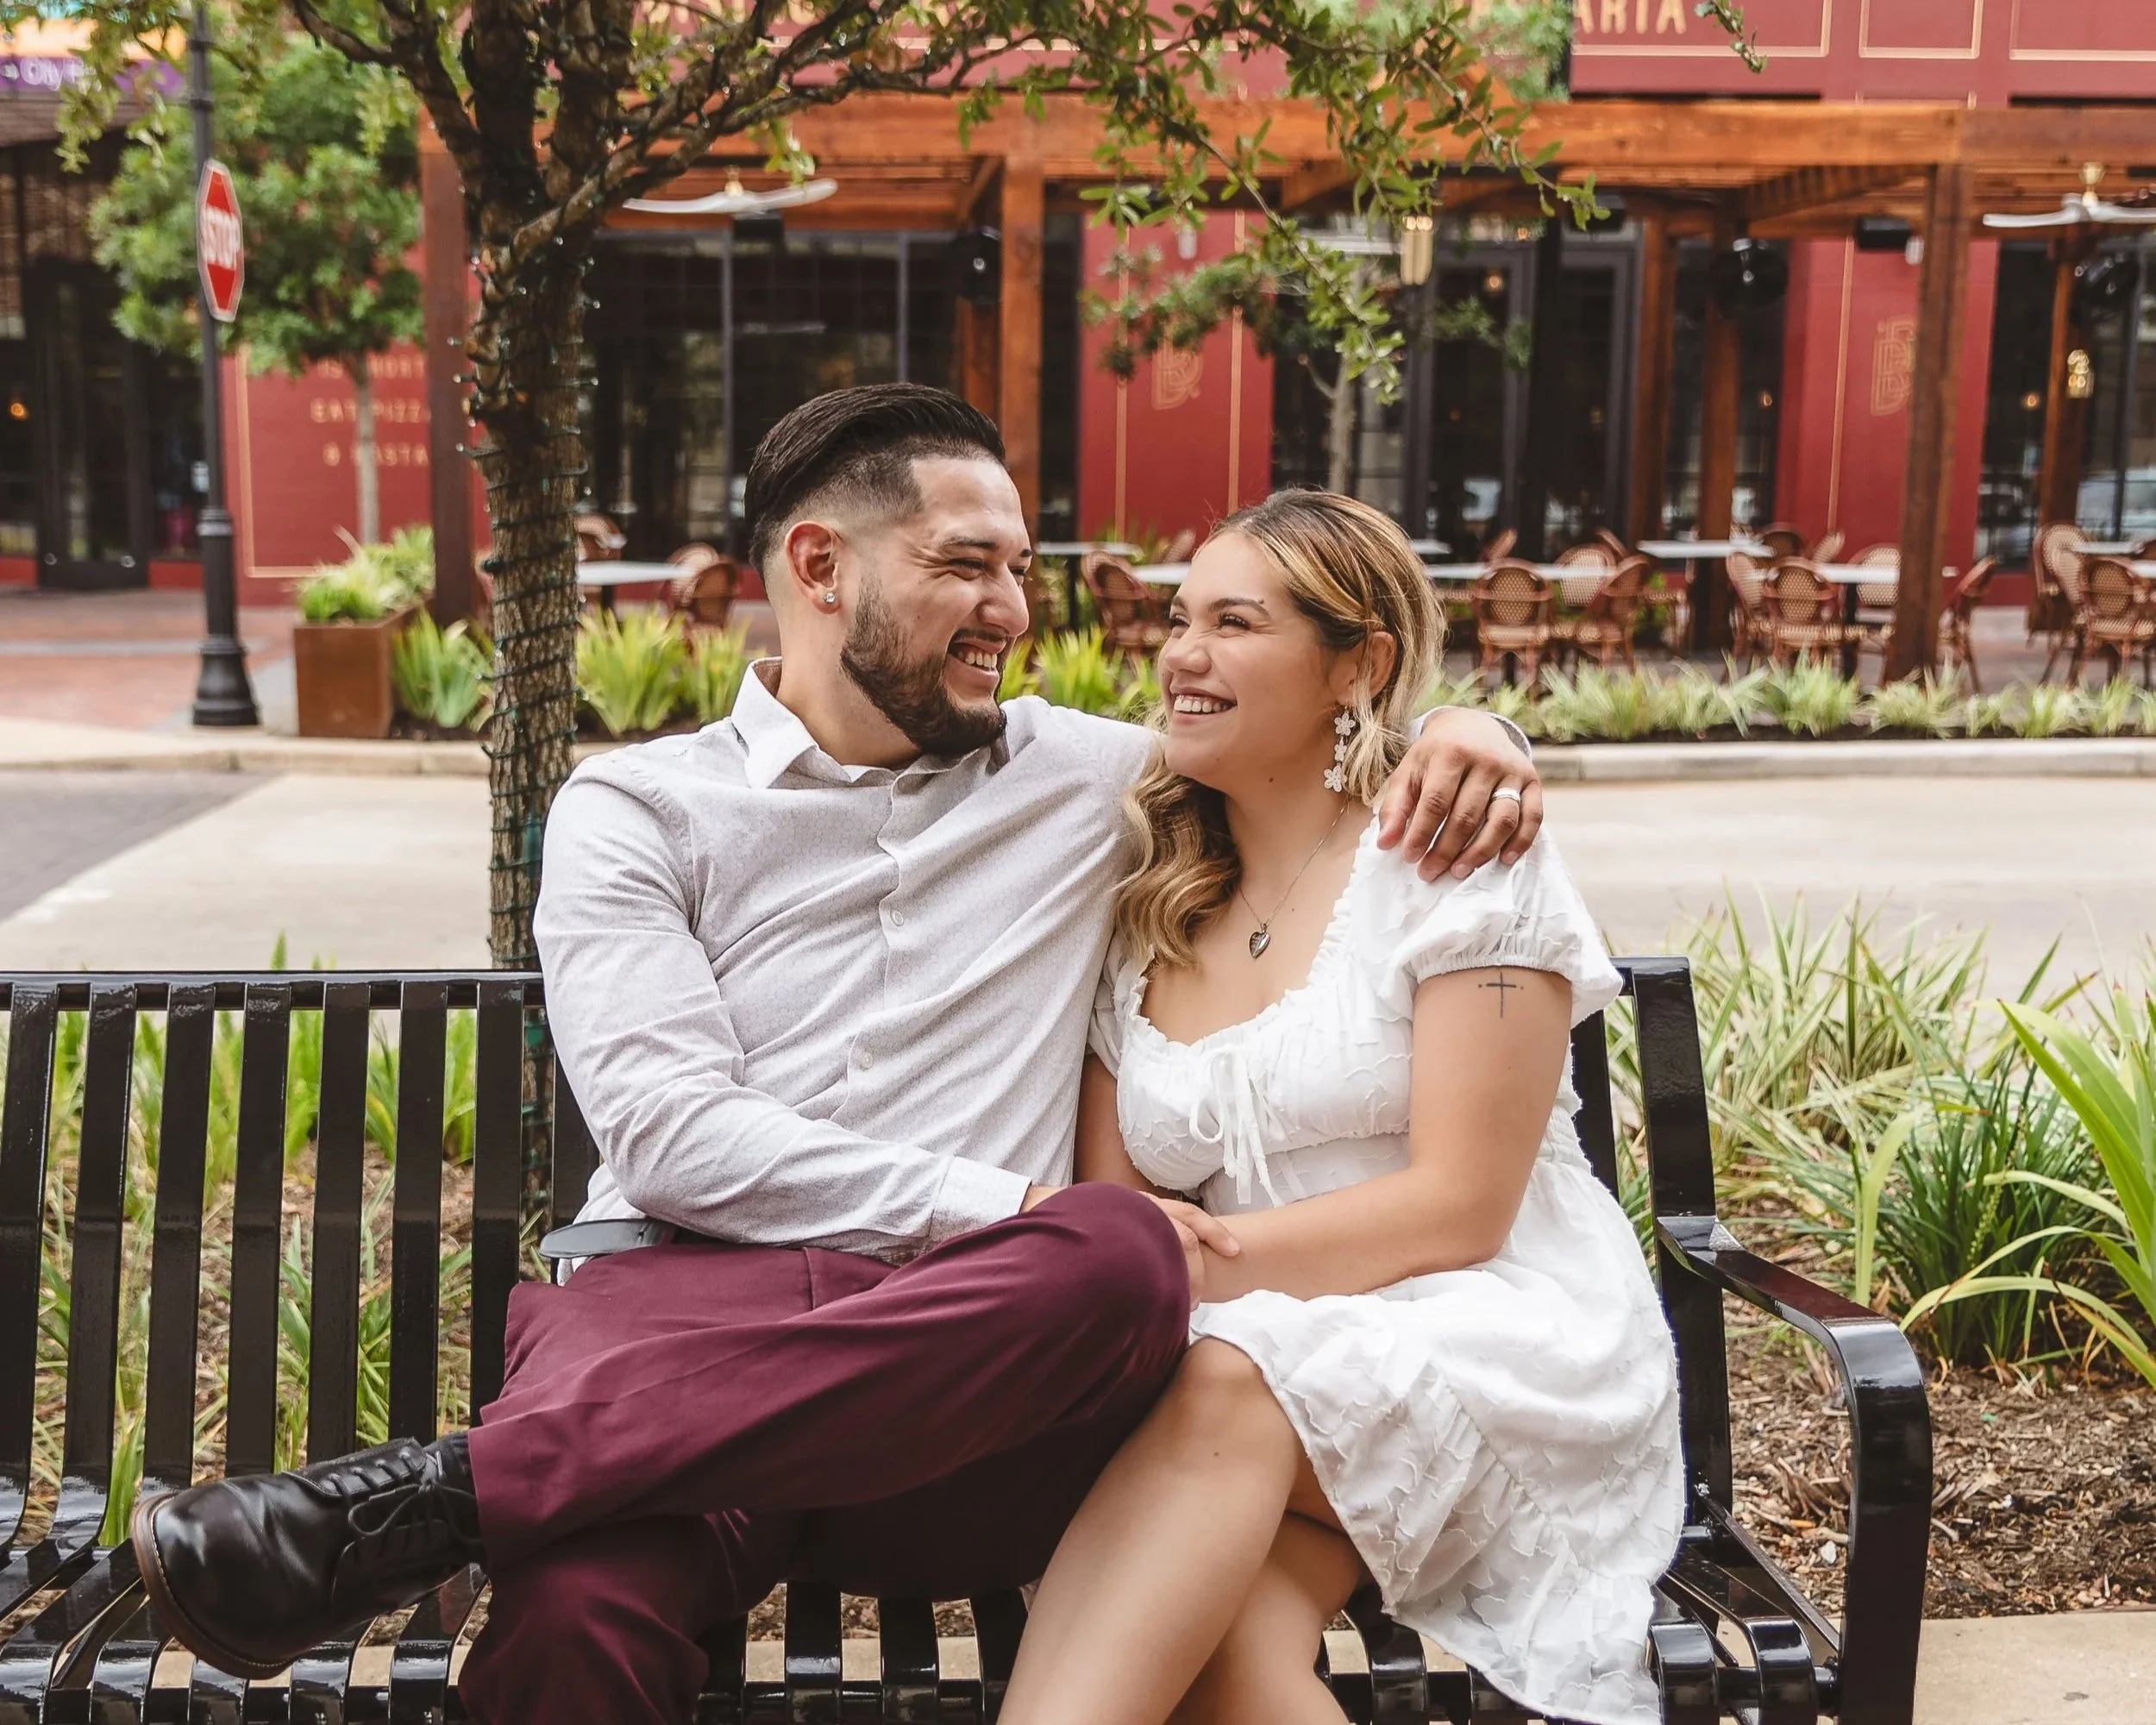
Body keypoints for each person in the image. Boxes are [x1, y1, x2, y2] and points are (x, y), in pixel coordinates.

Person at [128, 385, 1545, 1721]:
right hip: (684, 1318)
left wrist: (1473, 727)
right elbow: (674, 1138)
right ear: (820, 565)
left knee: (1120, 1256)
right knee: (576, 1625)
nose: (1012, 610)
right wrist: (1009, 1209)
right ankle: (492, 1495)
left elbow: (1312, 734)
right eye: (968, 567)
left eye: (1019, 571)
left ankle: (451, 1492)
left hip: (974, 1374)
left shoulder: (1101, 776)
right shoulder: (637, 811)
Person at [998, 491, 1683, 1725]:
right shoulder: (1149, 902)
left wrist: (1185, 1273)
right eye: (1179, 616)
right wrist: (1153, 1263)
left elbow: (1464, 1207)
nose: (1181, 654)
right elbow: (1117, 1202)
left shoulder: (1459, 860)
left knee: (1221, 1382)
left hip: (1495, 1345)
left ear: (1357, 665)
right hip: (1275, 1385)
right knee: (1229, 1658)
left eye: (1235, 623)